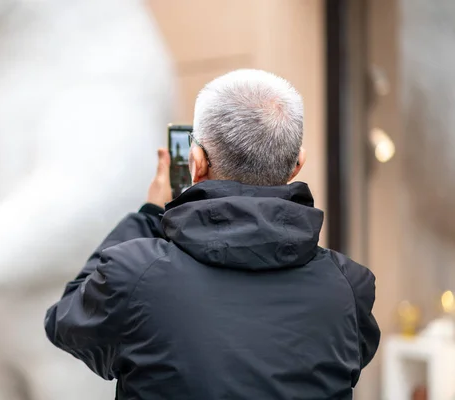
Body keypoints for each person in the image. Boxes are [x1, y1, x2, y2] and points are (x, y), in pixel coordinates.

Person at [44, 69, 380, 400]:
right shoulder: (349, 286)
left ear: (196, 161)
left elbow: (65, 322)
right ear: (297, 164)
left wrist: (148, 214)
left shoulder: (134, 275)